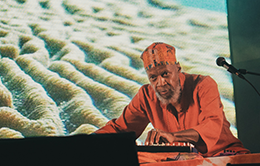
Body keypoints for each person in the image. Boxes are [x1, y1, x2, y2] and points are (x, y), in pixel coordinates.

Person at [96, 42, 249, 157]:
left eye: (165, 74)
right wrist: (84, 144)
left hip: (223, 155)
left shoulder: (203, 85)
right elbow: (120, 129)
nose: (160, 83)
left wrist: (173, 136)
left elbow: (212, 126)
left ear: (178, 69)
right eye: (153, 78)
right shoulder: (146, 96)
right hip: (184, 161)